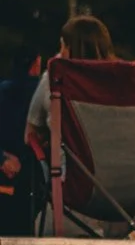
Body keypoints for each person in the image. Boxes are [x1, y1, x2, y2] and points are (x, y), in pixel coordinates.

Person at [21, 14, 113, 170]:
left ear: (69, 49)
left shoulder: (54, 77)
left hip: (80, 184)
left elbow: (31, 135)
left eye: (62, 46)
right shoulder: (126, 80)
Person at [0, 49, 40, 236]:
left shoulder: (3, 90)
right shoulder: (42, 92)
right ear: (36, 65)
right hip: (32, 178)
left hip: (7, 174)